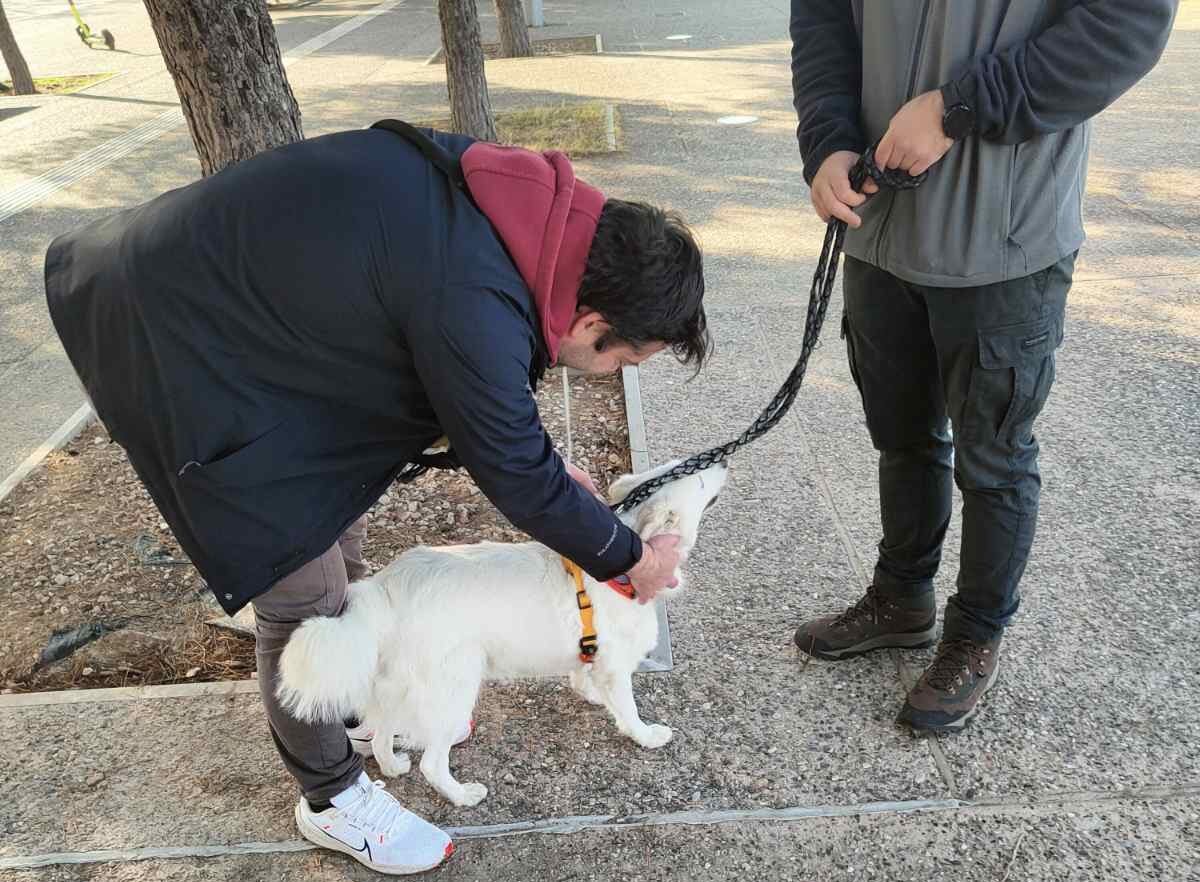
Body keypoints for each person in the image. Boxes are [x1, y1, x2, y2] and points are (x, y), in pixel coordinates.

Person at [44, 121, 708, 873]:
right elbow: (512, 467)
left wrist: (543, 464)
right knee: (303, 592)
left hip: (259, 328)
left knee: (339, 521)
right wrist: (630, 559)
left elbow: (478, 401)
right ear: (592, 321)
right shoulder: (474, 292)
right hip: (176, 333)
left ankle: (358, 698)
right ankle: (332, 798)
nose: (613, 371)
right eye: (626, 359)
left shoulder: (522, 218)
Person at [789, 1, 1176, 732]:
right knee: (900, 435)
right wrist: (827, 141)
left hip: (1006, 240)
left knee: (993, 458)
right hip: (878, 228)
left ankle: (975, 634)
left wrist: (956, 108)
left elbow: (1127, 25)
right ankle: (901, 598)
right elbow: (822, 21)